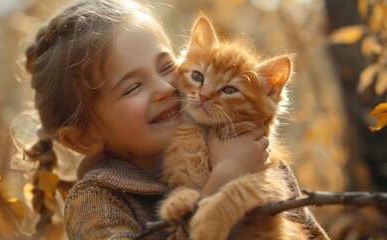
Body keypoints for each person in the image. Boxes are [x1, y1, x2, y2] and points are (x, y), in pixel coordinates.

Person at [24, 0, 327, 239]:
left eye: (167, 65)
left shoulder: (255, 153)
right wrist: (226, 174)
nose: (164, 88)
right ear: (83, 138)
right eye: (132, 87)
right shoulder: (96, 202)